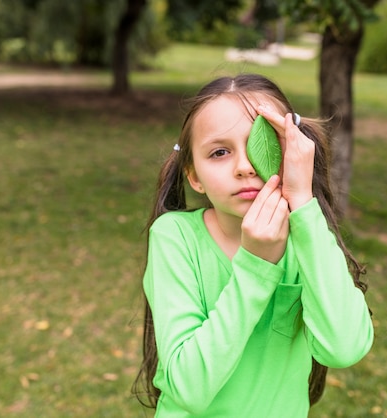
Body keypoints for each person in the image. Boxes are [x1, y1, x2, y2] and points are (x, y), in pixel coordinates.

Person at [132, 73, 373, 417]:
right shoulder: (175, 238)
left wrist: (303, 204)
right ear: (194, 175)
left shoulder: (307, 239)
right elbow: (188, 388)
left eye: (263, 144)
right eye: (219, 152)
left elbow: (344, 347)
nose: (244, 167)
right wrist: (256, 266)